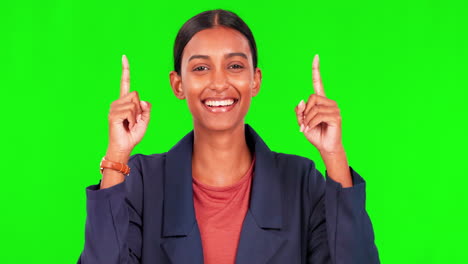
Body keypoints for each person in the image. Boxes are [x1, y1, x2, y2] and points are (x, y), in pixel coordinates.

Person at [77, 9, 380, 264]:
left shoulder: (301, 181)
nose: (219, 82)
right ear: (178, 84)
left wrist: (334, 154)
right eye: (201, 67)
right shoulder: (142, 181)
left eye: (235, 66)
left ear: (255, 80)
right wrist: (117, 154)